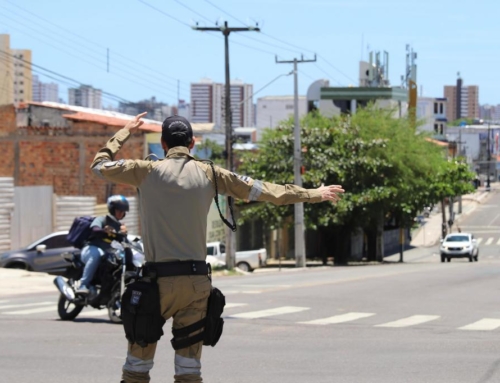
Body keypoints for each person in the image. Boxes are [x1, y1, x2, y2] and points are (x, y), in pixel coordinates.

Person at [90, 112, 345, 383]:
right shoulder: (211, 173)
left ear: (163, 144)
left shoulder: (144, 171)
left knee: (136, 370)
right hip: (196, 285)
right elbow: (266, 191)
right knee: (188, 372)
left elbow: (98, 165)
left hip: (156, 285)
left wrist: (126, 130)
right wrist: (314, 194)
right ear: (193, 143)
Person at [76, 195, 129, 295]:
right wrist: (104, 230)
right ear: (112, 209)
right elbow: (94, 229)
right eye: (119, 210)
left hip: (108, 252)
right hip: (91, 248)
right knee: (96, 255)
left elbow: (125, 242)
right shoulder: (102, 219)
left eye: (123, 211)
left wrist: (124, 234)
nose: (121, 213)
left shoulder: (120, 226)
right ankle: (83, 284)